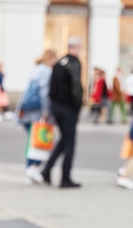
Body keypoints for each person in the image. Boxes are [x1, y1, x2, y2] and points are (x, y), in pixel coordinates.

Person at [41, 36, 84, 188]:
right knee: (70, 143)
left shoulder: (59, 63)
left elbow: (51, 89)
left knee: (64, 140)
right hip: (68, 108)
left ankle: (47, 169)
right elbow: (76, 87)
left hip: (57, 107)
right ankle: (65, 177)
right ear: (76, 47)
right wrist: (78, 105)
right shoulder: (73, 64)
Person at [16, 49, 57, 183]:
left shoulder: (36, 70)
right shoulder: (47, 71)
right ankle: (32, 167)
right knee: (38, 140)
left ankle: (30, 169)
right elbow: (44, 93)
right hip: (37, 111)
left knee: (31, 139)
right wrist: (46, 112)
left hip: (26, 110)